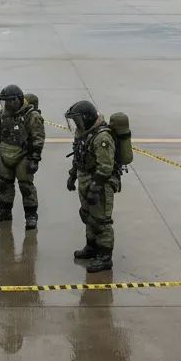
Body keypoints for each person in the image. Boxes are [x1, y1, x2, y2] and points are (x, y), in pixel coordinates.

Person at [64, 99, 119, 272]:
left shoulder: (102, 137)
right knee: (88, 214)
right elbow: (78, 155)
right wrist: (72, 175)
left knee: (101, 220)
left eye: (78, 120)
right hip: (85, 178)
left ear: (87, 118)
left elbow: (105, 166)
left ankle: (104, 257)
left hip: (100, 183)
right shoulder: (83, 133)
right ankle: (92, 247)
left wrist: (95, 188)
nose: (76, 124)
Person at [0, 84, 44, 230]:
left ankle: (31, 216)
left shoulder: (31, 116)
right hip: (5, 154)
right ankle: (5, 211)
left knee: (26, 187)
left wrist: (34, 158)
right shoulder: (1, 115)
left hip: (23, 155)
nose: (6, 104)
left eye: (9, 101)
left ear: (17, 100)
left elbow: (38, 138)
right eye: (4, 101)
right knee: (4, 184)